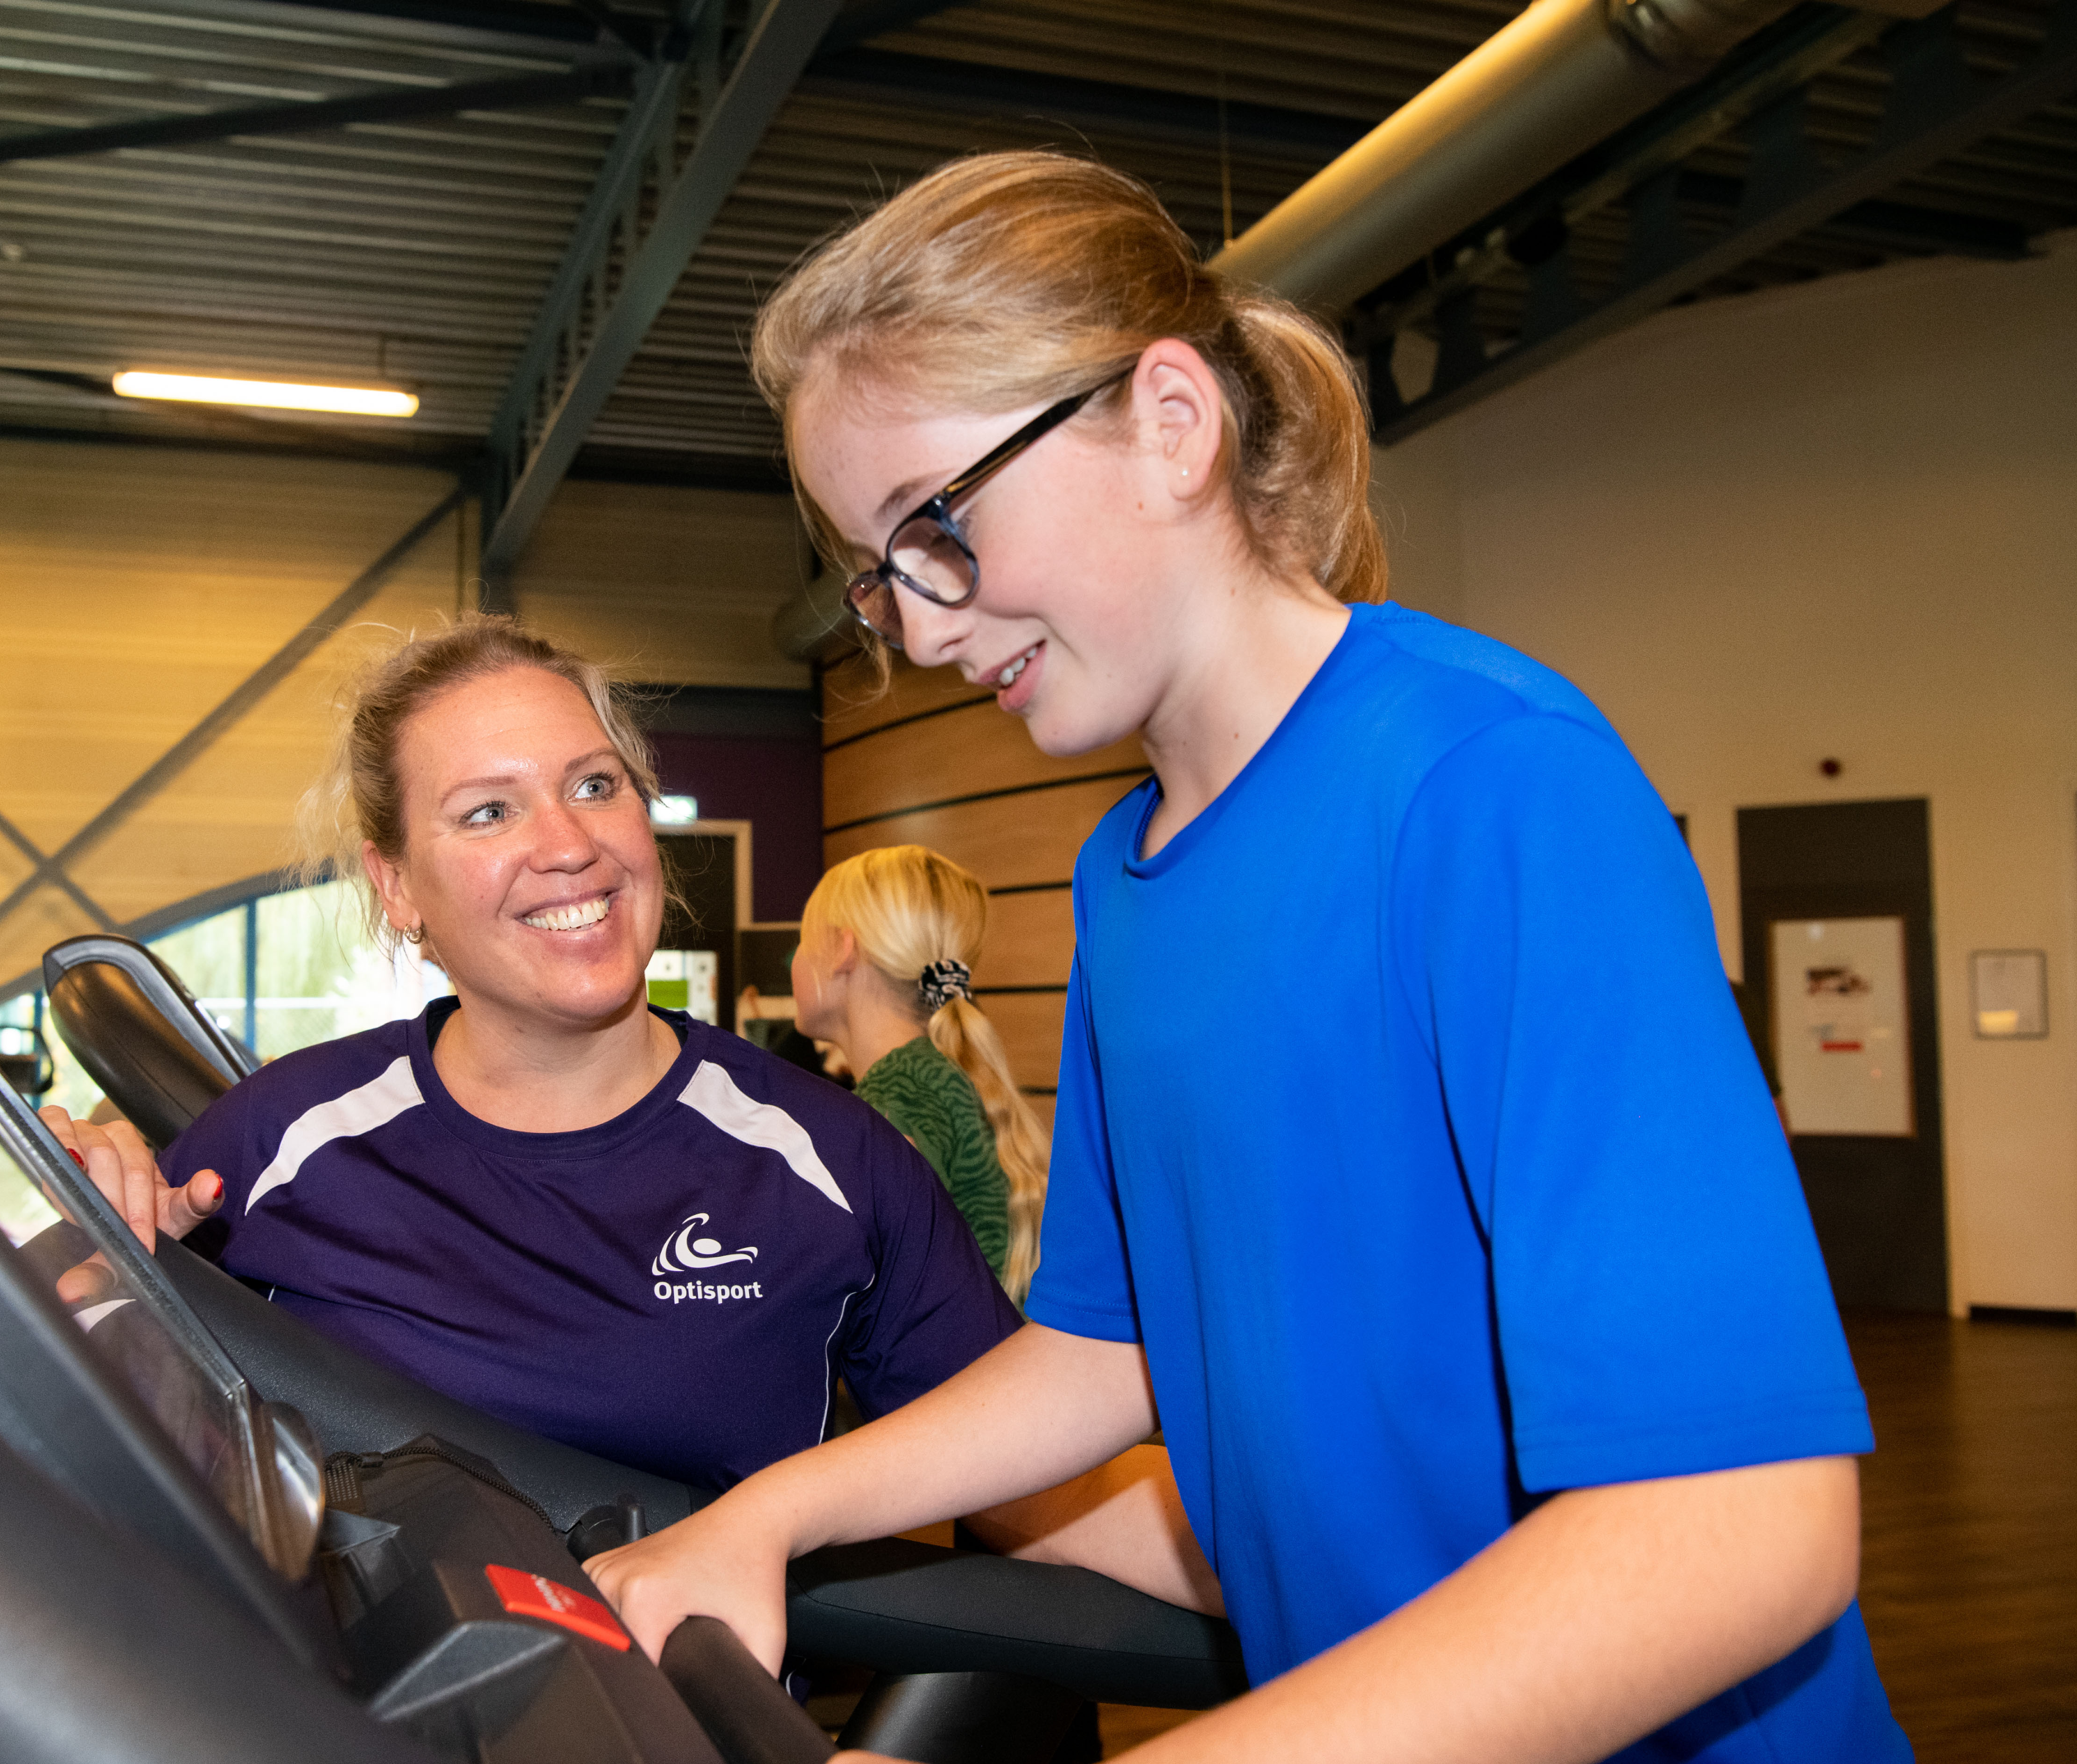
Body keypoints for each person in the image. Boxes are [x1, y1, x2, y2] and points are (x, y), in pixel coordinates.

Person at [586, 151, 1909, 1764]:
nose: (920, 632)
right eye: (879, 576)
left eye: (935, 529)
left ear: (1167, 425)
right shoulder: (1124, 874)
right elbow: (1104, 1348)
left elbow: (1739, 1531)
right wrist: (772, 1511)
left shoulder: (1485, 786)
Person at [42, 618, 1022, 1491]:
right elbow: (80, 1428)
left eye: (594, 786)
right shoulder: (282, 1138)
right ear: (397, 888)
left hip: (694, 1697)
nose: (567, 846)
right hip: (349, 1694)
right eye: (488, 811)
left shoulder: (831, 1158)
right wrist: (105, 1236)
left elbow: (1028, 1481)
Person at [792, 845, 1049, 1299]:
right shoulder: (936, 1078)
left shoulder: (895, 1107)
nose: (794, 959)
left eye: (802, 940)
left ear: (841, 949)